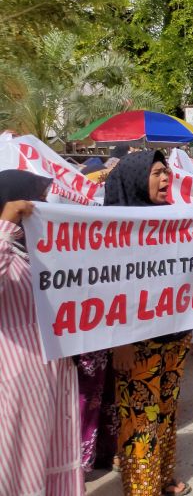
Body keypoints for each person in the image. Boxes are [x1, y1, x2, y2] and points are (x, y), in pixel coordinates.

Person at [105, 151, 193, 494]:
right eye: (157, 173)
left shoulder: (170, 218)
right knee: (141, 419)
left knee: (167, 412)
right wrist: (120, 341)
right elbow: (107, 291)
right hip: (136, 343)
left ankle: (162, 476)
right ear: (135, 178)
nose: (165, 179)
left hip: (174, 336)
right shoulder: (110, 230)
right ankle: (143, 487)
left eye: (166, 172)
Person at [0, 170, 85, 496]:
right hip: (17, 377)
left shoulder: (38, 248)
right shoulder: (7, 242)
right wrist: (7, 223)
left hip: (53, 370)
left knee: (54, 452)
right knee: (22, 461)